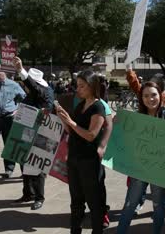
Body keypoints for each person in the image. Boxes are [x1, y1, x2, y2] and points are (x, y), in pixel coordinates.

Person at [116, 81, 165, 234]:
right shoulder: (137, 116)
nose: (150, 99)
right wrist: (118, 124)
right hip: (139, 169)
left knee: (158, 205)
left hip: (158, 170)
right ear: (141, 98)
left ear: (160, 95)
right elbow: (127, 141)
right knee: (130, 204)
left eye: (154, 95)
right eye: (146, 96)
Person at [56, 70, 106, 234]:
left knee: (94, 201)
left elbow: (91, 135)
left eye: (82, 86)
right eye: (77, 86)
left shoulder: (98, 107)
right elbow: (73, 132)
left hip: (89, 162)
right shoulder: (80, 105)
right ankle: (75, 230)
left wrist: (71, 122)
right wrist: (65, 121)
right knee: (76, 200)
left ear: (92, 86)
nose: (78, 89)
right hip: (75, 160)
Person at [12, 57, 54, 210]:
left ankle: (39, 197)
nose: (24, 86)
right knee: (23, 162)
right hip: (27, 131)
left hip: (42, 134)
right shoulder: (32, 92)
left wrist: (21, 70)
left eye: (26, 83)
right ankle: (28, 193)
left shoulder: (44, 91)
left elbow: (35, 89)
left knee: (37, 166)